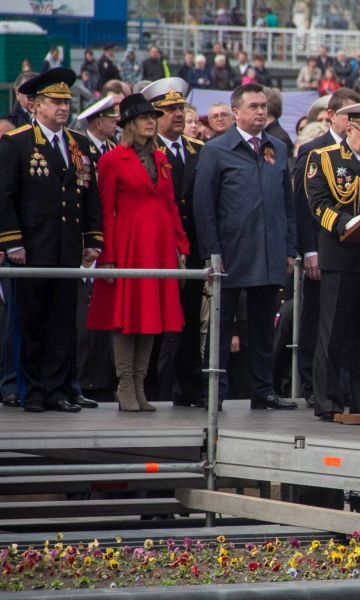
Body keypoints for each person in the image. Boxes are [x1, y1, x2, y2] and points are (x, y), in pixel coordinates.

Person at [0, 68, 104, 412]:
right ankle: (31, 391)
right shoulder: (16, 142)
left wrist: (92, 238)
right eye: (54, 101)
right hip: (32, 248)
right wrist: (12, 242)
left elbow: (90, 195)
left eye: (66, 102)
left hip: (67, 245)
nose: (62, 108)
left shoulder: (78, 143)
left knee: (62, 321)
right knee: (30, 322)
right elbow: (5, 196)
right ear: (36, 105)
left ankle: (57, 389)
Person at [194, 83, 298, 410]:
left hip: (268, 250)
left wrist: (289, 248)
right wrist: (212, 252)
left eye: (263, 106)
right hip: (231, 250)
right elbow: (204, 205)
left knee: (263, 325)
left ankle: (263, 390)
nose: (261, 111)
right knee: (222, 324)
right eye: (253, 106)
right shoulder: (216, 150)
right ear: (236, 112)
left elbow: (287, 203)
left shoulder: (276, 147)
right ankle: (215, 390)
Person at [85, 93, 189, 412]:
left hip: (159, 245)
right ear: (129, 124)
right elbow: (106, 210)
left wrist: (181, 245)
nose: (150, 122)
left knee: (152, 315)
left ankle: (139, 385)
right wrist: (107, 255)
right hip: (130, 243)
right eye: (144, 117)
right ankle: (125, 385)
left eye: (152, 117)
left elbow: (170, 204)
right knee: (126, 317)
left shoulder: (160, 159)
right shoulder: (112, 160)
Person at [302, 100, 360, 423]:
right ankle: (328, 400)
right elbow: (317, 202)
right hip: (341, 254)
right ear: (350, 129)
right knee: (333, 332)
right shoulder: (325, 158)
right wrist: (345, 223)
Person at [141, 78, 206, 408]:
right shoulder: (146, 151)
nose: (178, 114)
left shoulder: (199, 150)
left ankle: (188, 387)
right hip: (157, 247)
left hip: (191, 246)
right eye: (169, 109)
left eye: (180, 107)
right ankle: (148, 386)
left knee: (190, 318)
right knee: (153, 320)